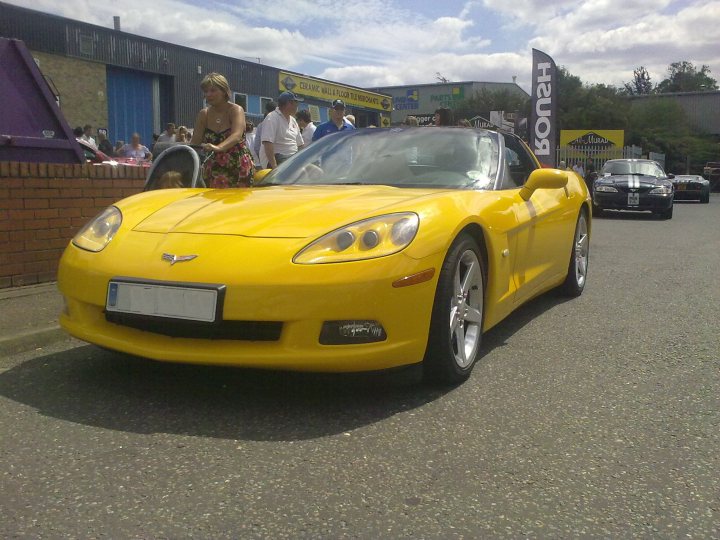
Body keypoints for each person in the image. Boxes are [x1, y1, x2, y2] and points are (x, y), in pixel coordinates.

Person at [190, 72, 255, 187]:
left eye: (213, 90)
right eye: (206, 91)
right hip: (213, 168)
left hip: (238, 166)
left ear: (224, 91)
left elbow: (236, 135)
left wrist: (218, 147)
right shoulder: (203, 114)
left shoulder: (236, 110)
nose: (208, 94)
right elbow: (195, 143)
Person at [261, 91, 304, 169]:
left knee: (316, 171)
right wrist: (275, 167)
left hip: (293, 158)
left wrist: (306, 159)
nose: (298, 106)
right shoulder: (272, 118)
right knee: (301, 171)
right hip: (278, 157)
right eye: (296, 102)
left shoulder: (293, 120)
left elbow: (300, 145)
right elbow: (267, 143)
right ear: (289, 103)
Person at [253, 100, 278, 166]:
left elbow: (257, 146)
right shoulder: (282, 122)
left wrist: (261, 159)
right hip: (281, 159)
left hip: (267, 161)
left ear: (266, 111)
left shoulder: (261, 125)